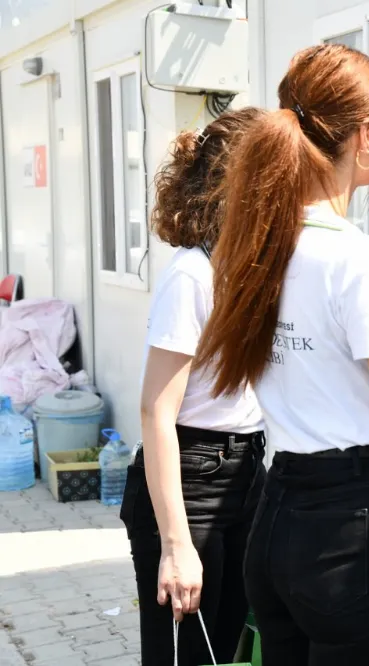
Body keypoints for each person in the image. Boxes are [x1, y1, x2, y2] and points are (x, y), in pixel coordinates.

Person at [191, 44, 369, 665]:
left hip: (276, 511)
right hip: (352, 527)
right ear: (365, 135)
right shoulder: (360, 261)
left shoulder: (252, 245)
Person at [121, 107, 268, 666]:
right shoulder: (192, 276)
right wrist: (176, 546)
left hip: (249, 472)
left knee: (232, 651)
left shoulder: (251, 269)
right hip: (191, 479)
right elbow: (156, 412)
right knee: (185, 657)